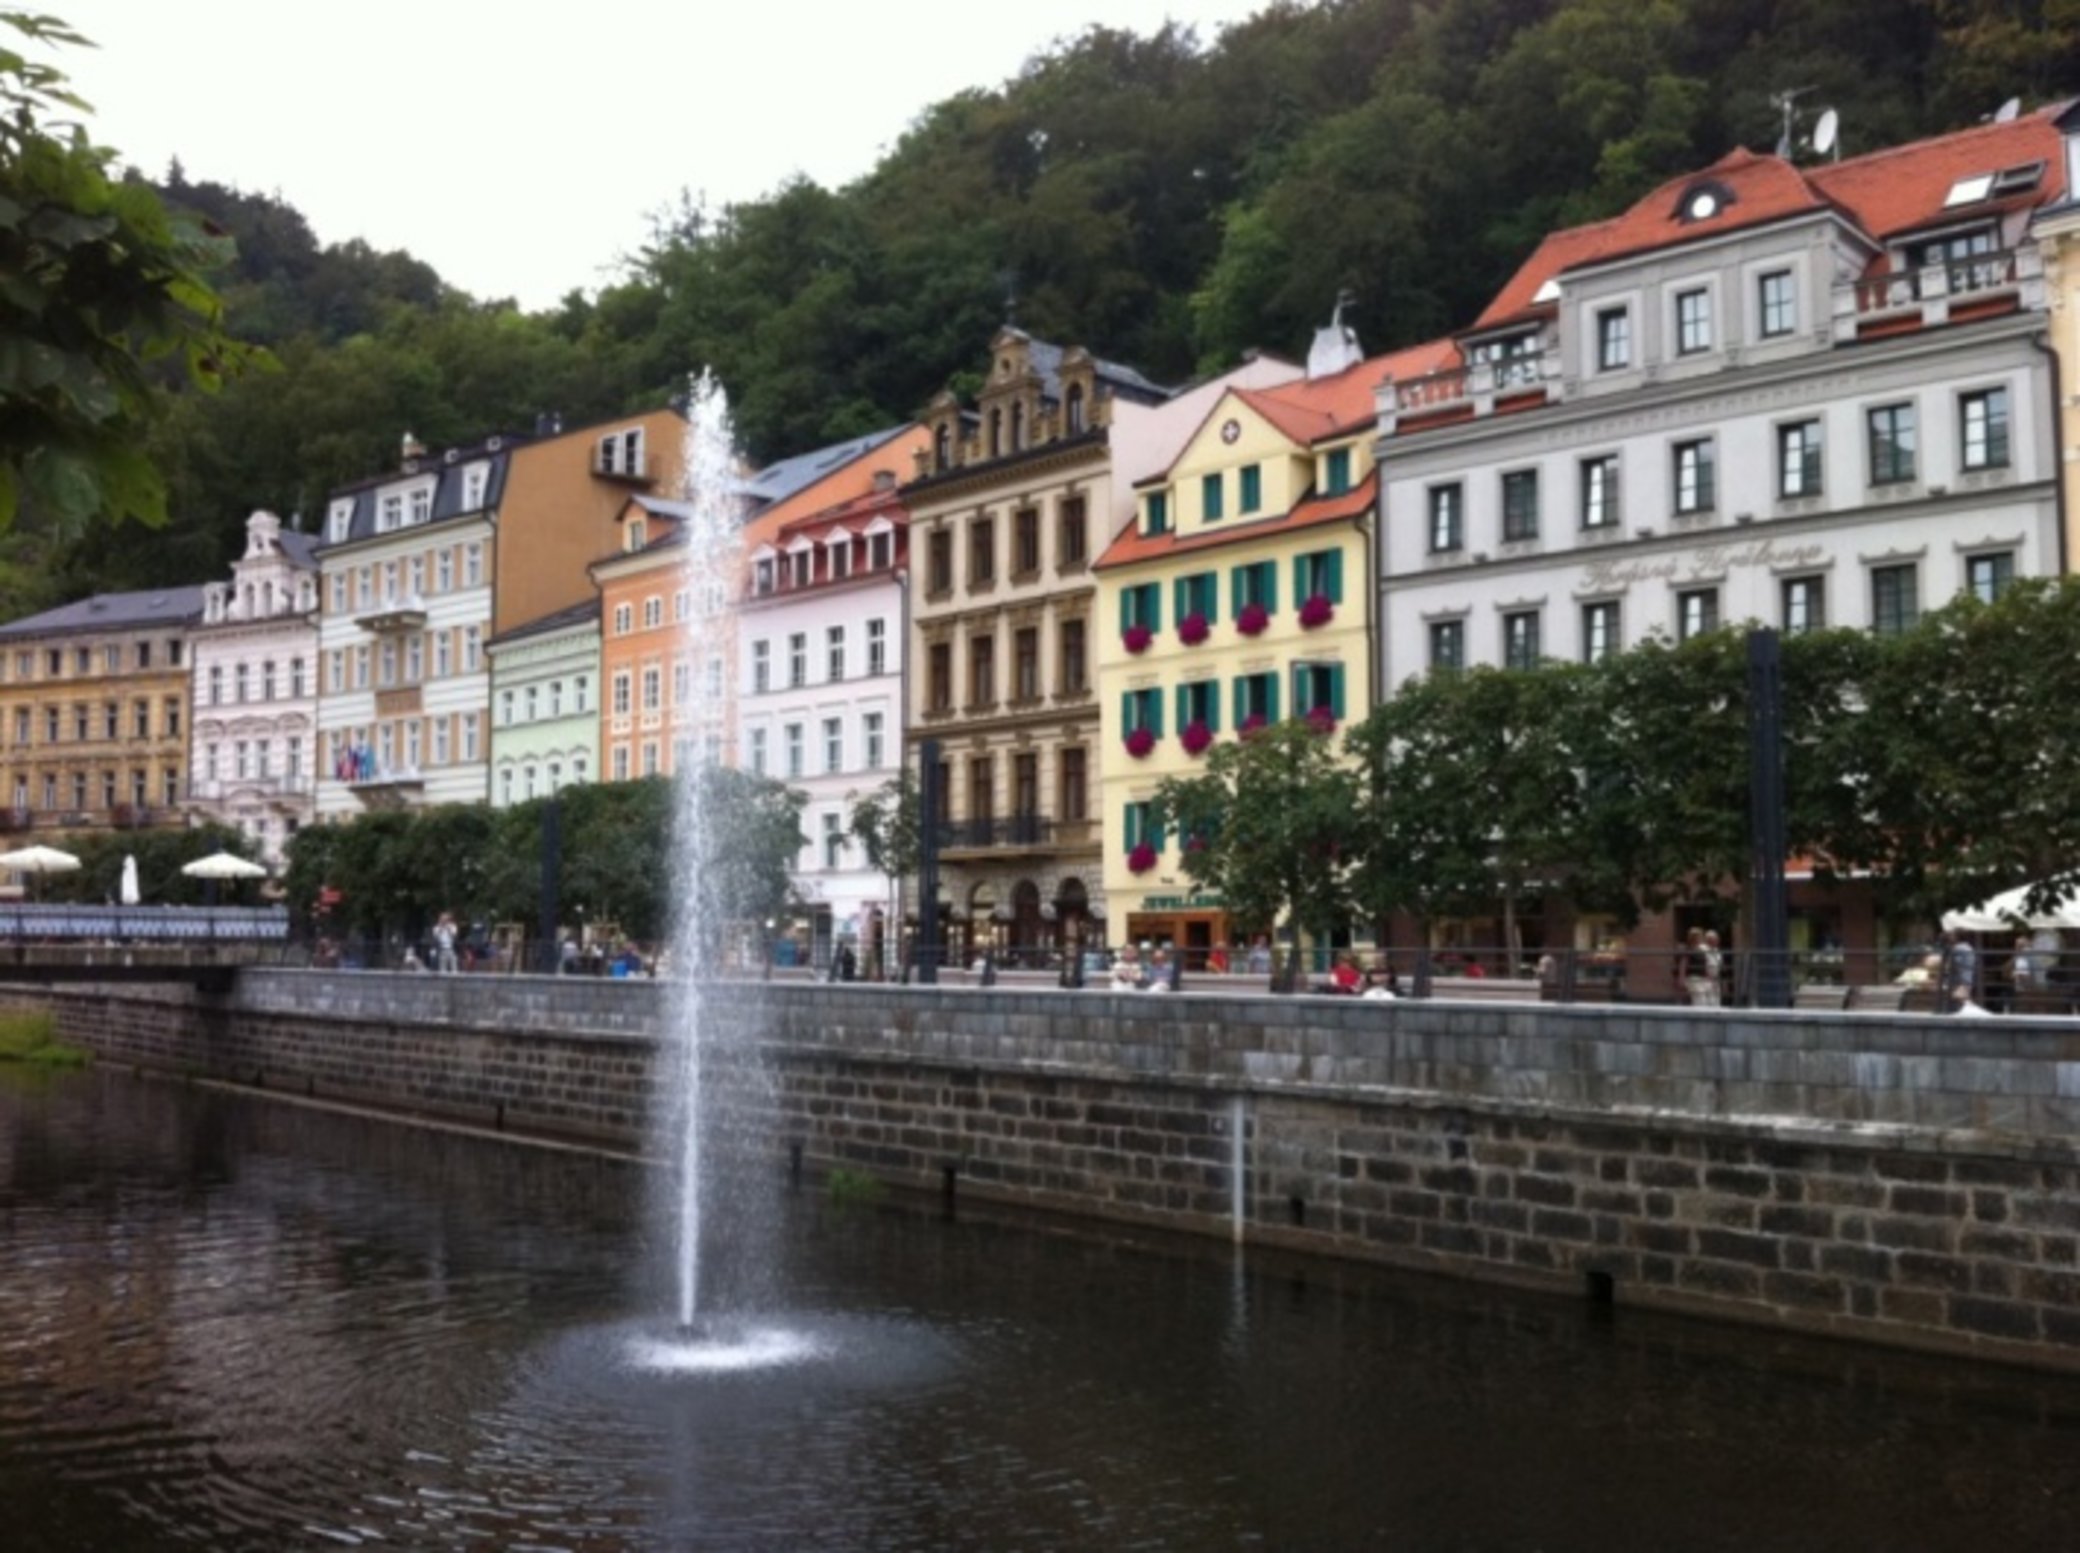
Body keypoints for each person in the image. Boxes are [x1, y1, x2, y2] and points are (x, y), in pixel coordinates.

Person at [1939, 928, 1977, 1012]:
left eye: (1952, 935)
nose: (1951, 937)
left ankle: (1975, 1013)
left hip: (1959, 982)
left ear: (1957, 937)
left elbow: (1959, 966)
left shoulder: (1959, 948)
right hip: (1964, 981)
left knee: (1959, 1004)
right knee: (1959, 1004)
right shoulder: (1968, 947)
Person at [1681, 928, 1717, 1008]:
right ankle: (1699, 1014)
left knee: (1711, 998)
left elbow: (1705, 965)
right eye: (1699, 937)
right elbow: (1683, 965)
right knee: (1700, 1000)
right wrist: (1681, 979)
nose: (1700, 938)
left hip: (1703, 978)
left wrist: (1709, 978)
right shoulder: (1688, 950)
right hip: (1693, 977)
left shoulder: (1702, 950)